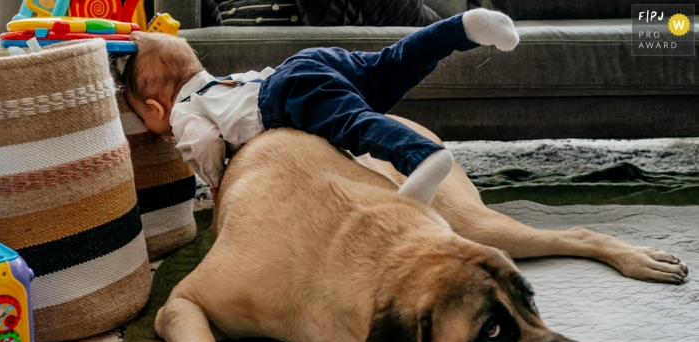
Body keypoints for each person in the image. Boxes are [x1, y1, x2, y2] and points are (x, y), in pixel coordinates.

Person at [122, 9, 519, 202]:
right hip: (307, 63)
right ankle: (464, 27)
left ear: (157, 107)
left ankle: (424, 157)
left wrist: (216, 180)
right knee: (388, 66)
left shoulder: (184, 110)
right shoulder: (215, 82)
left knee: (356, 123)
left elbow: (205, 142)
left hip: (285, 97)